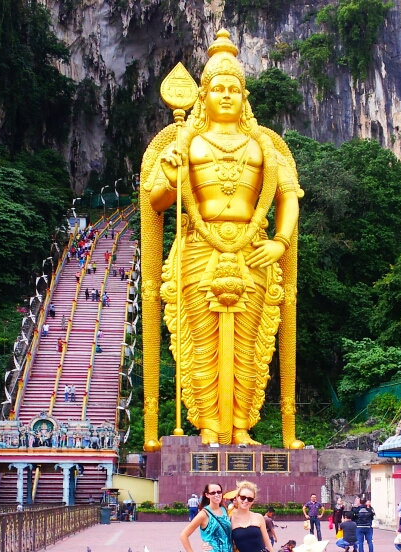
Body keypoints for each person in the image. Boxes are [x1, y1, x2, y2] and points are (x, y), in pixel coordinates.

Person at [140, 29, 304, 450]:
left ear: (244, 96)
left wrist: (280, 242)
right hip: (198, 247)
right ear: (204, 96)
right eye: (218, 88)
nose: (226, 95)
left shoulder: (264, 145)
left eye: (234, 88)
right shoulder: (185, 141)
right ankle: (209, 428)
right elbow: (156, 200)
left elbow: (288, 197)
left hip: (253, 249)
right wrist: (175, 171)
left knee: (251, 345)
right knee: (200, 343)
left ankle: (242, 427)